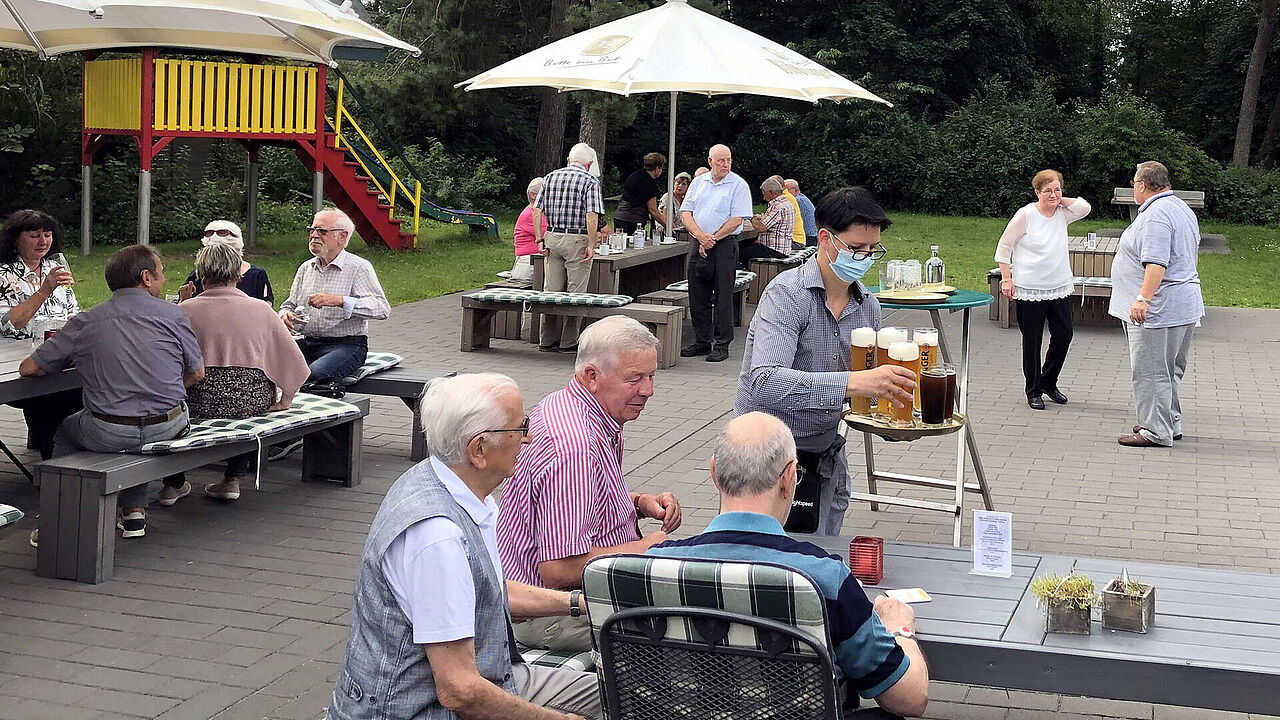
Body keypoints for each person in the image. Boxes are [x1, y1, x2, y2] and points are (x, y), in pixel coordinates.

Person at [328, 373, 600, 720]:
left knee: (621, 689)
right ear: (479, 450)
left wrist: (575, 603)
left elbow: (483, 588)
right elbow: (459, 690)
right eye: (519, 428)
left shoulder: (447, 482)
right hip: (418, 709)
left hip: (482, 680)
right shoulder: (438, 537)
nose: (529, 438)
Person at [649, 412, 930, 718]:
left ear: (714, 473)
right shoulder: (823, 578)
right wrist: (900, 630)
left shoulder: (654, 566)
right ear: (788, 477)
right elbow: (911, 699)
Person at [736, 187, 916, 536]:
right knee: (761, 574)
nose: (864, 258)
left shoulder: (868, 307)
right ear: (825, 238)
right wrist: (854, 383)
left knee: (819, 569)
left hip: (823, 459)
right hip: (760, 461)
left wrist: (900, 425)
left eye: (872, 250)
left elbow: (868, 397)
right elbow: (765, 382)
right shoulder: (786, 295)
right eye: (856, 249)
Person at [497, 316, 682, 652]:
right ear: (592, 376)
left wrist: (639, 503)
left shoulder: (573, 406)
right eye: (634, 378)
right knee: (691, 633)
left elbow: (579, 498)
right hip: (548, 615)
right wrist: (641, 550)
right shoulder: (575, 447)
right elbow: (558, 570)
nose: (648, 390)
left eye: (651, 376)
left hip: (545, 598)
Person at [21, 245, 204, 543]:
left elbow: (30, 368)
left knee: (66, 430)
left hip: (108, 430)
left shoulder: (85, 321)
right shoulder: (174, 315)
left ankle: (60, 517)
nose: (164, 279)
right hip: (170, 425)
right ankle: (133, 513)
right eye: (161, 273)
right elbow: (197, 373)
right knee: (133, 433)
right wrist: (161, 390)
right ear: (146, 277)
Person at [181, 243, 310, 501]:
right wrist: (286, 399)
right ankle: (233, 478)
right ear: (239, 276)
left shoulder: (184, 310)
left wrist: (184, 302)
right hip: (251, 400)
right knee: (244, 403)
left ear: (200, 275)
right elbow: (294, 360)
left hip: (197, 399)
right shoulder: (261, 309)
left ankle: (173, 483)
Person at [1109, 161, 1204, 448]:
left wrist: (1142, 299)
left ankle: (1154, 431)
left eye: (1134, 182)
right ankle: (1169, 422)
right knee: (1170, 370)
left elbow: (1156, 263)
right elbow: (1192, 255)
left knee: (1151, 371)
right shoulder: (1180, 208)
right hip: (1183, 304)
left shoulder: (1155, 216)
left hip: (1158, 309)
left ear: (1141, 185)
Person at [994, 170, 1091, 410]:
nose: (1053, 194)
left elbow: (1084, 207)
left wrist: (1060, 200)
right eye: (1047, 190)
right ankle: (1033, 390)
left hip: (1058, 287)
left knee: (1064, 335)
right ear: (1037, 192)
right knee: (1032, 341)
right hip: (1030, 289)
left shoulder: (1062, 213)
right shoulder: (1025, 214)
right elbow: (1004, 248)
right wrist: (1007, 279)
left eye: (1057, 189)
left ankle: (1049, 381)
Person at [0, 209, 83, 459]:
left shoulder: (54, 267)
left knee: (82, 385)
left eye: (47, 235)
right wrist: (44, 290)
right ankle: (53, 460)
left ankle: (65, 454)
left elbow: (72, 309)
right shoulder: (4, 274)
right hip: (15, 360)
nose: (43, 241)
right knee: (50, 396)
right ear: (16, 239)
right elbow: (9, 324)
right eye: (34, 235)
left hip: (56, 352)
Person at [279, 209, 391, 386]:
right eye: (312, 229)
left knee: (312, 376)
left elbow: (381, 308)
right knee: (264, 367)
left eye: (322, 231)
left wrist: (340, 301)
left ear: (342, 236)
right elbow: (289, 305)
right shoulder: (305, 268)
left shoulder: (358, 267)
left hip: (346, 346)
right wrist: (285, 316)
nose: (314, 235)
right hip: (306, 342)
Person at [680, 144, 752, 363]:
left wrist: (712, 238)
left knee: (722, 295)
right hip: (698, 242)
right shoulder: (699, 183)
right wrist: (700, 236)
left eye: (729, 160)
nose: (726, 165)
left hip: (724, 245)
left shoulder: (738, 185)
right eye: (721, 161)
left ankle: (722, 344)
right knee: (697, 292)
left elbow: (737, 219)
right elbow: (686, 213)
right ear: (710, 161)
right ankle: (702, 340)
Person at [532, 142, 604, 353]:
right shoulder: (590, 181)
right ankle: (569, 341)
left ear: (569, 160)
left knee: (551, 291)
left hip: (552, 236)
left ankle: (547, 340)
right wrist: (591, 244)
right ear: (589, 163)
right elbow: (592, 214)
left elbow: (537, 211)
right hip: (576, 238)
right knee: (576, 293)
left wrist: (539, 239)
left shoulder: (550, 177)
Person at [178, 220, 274, 304]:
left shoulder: (256, 275)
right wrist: (183, 300)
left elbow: (266, 307)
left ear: (237, 250)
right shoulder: (197, 275)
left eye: (226, 254)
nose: (220, 260)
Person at [744, 177, 796, 267]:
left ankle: (746, 275)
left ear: (771, 192)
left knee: (739, 253)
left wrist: (750, 216)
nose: (764, 198)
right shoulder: (787, 203)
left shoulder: (777, 206)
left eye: (764, 194)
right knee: (748, 247)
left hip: (774, 250)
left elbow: (760, 228)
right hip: (784, 248)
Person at [613, 152, 668, 236]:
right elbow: (653, 210)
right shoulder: (649, 184)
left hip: (619, 216)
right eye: (661, 168)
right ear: (657, 168)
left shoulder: (635, 176)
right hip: (633, 220)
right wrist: (668, 226)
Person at [511, 178, 548, 283]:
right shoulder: (531, 214)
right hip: (529, 264)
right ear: (533, 195)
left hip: (535, 261)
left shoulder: (540, 213)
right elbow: (550, 234)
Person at [769, 174, 807, 249]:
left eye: (773, 185)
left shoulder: (784, 199)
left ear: (782, 185)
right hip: (799, 239)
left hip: (794, 241)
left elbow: (765, 225)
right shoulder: (788, 197)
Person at [785, 178, 819, 246]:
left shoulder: (797, 200)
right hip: (813, 236)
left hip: (808, 238)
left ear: (795, 190)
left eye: (786, 190)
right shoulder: (802, 197)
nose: (783, 193)